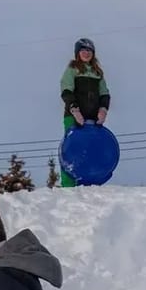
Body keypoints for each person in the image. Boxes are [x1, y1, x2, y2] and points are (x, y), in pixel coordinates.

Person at [59, 38, 111, 187]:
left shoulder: (97, 73)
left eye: (89, 50)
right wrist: (74, 109)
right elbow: (66, 90)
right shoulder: (72, 69)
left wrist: (103, 110)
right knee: (71, 149)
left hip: (92, 119)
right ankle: (68, 185)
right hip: (73, 116)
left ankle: (90, 184)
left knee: (91, 150)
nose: (86, 53)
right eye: (83, 50)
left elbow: (104, 93)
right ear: (77, 53)